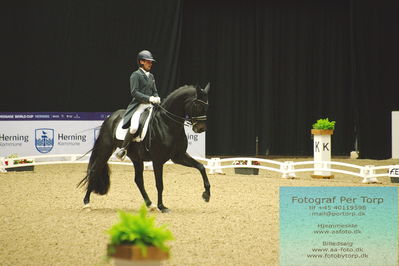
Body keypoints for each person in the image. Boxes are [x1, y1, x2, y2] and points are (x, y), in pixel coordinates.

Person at [116, 50, 161, 160]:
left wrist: (157, 97)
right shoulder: (135, 75)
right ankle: (123, 149)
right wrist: (149, 98)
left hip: (150, 106)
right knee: (134, 127)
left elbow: (154, 90)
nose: (150, 64)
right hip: (139, 106)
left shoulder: (151, 76)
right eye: (148, 62)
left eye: (151, 62)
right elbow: (134, 92)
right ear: (141, 62)